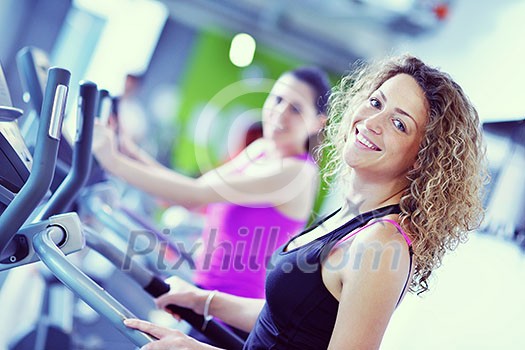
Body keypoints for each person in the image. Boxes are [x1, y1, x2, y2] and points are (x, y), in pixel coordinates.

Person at [122, 54, 487, 349]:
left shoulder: (381, 243)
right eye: (375, 102)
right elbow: (286, 321)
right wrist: (203, 301)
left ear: (423, 159)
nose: (372, 121)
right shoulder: (353, 218)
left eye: (399, 124)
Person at [92, 67, 332, 341]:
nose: (280, 113)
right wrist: (126, 150)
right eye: (277, 99)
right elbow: (193, 198)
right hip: (201, 296)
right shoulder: (260, 151)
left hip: (229, 317)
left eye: (296, 109)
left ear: (317, 123)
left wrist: (112, 160)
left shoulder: (296, 173)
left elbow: (194, 194)